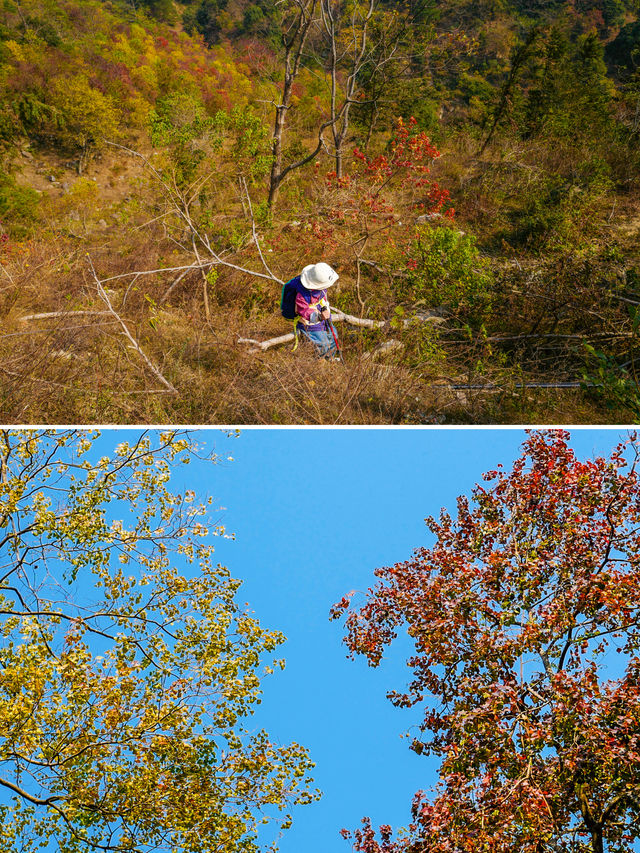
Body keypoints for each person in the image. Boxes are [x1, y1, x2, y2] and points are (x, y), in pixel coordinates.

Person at [292, 262, 340, 359]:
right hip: (308, 321)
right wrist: (318, 317)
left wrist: (325, 308)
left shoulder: (321, 288)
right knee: (322, 342)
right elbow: (304, 311)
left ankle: (330, 359)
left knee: (333, 335)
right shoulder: (302, 295)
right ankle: (320, 361)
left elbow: (323, 299)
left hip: (322, 315)